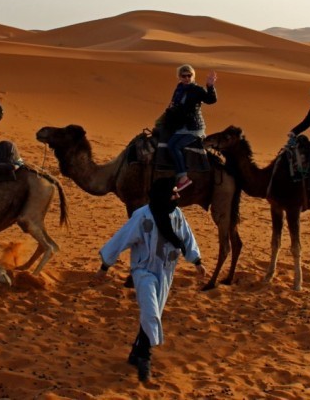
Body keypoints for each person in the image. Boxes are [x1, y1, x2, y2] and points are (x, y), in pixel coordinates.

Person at [93, 177, 207, 383]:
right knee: (151, 311)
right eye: (174, 193)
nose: (178, 196)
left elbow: (187, 238)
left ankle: (136, 352)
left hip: (166, 272)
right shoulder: (142, 216)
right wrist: (104, 267)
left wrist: (197, 261)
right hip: (144, 270)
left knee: (153, 313)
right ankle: (145, 358)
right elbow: (121, 239)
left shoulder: (177, 215)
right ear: (163, 195)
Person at [163, 64, 217, 191]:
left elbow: (211, 99)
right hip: (181, 127)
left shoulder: (197, 89)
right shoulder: (179, 88)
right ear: (179, 77)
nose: (187, 78)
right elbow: (173, 104)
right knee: (164, 140)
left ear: (193, 76)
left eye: (189, 75)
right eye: (184, 76)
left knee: (174, 146)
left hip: (194, 128)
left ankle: (183, 177)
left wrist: (210, 86)